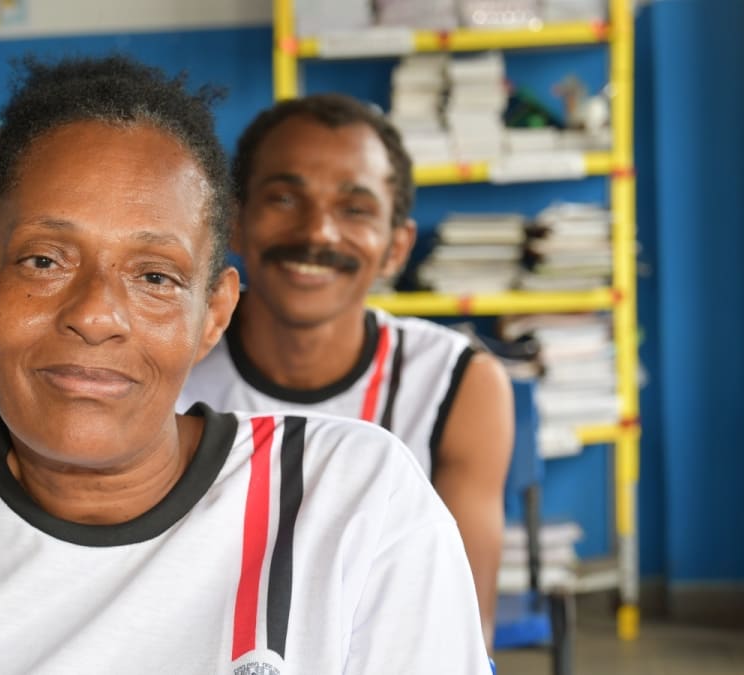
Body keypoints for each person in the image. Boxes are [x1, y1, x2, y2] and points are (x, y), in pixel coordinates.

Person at [0, 56, 491, 674]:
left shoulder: (348, 505)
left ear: (213, 312)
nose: (96, 313)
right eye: (44, 260)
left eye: (155, 276)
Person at [178, 93, 514, 647]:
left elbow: (461, 632)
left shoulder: (458, 383)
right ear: (234, 221)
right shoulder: (168, 359)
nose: (318, 233)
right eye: (285, 198)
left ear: (397, 248)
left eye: (355, 209)